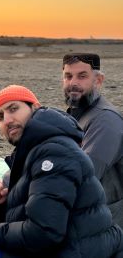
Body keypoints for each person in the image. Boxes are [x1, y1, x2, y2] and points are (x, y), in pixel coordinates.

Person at [0, 85, 123, 258]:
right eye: (0, 117)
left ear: (35, 108)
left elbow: (44, 233)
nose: (8, 119)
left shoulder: (53, 154)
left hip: (70, 252)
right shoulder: (34, 152)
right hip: (57, 248)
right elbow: (33, 215)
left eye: (13, 109)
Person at [62, 53, 123, 228]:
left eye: (82, 76)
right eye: (68, 76)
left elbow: (85, 173)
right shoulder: (76, 115)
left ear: (98, 80)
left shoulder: (105, 120)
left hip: (106, 224)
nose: (73, 83)